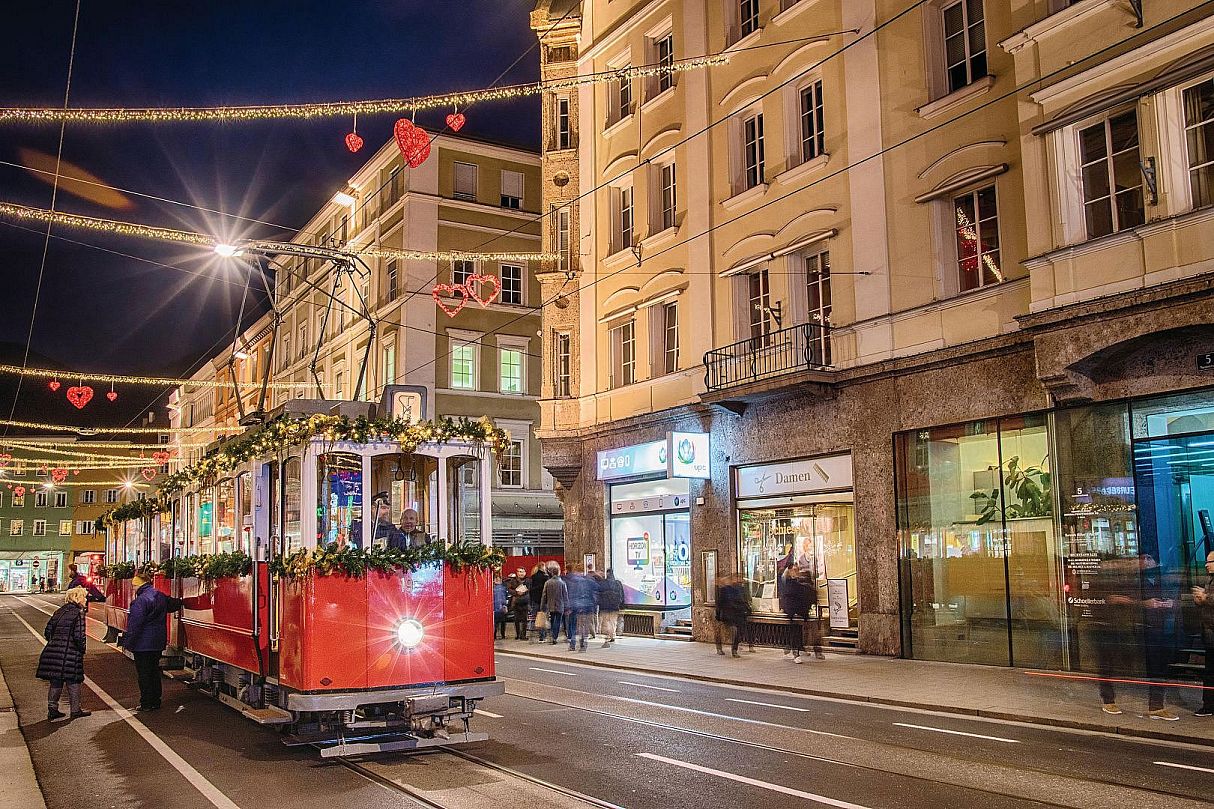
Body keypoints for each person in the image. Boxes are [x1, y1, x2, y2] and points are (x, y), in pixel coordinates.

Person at [121, 572, 184, 711]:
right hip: (157, 642)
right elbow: (174, 604)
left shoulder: (140, 601)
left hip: (142, 644)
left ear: (138, 585)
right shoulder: (159, 596)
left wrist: (128, 643)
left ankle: (146, 703)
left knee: (144, 674)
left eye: (134, 586)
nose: (133, 588)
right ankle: (156, 701)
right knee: (154, 672)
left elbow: (135, 625)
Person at [36, 587, 91, 720]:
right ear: (77, 598)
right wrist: (82, 649)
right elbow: (79, 636)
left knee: (56, 680)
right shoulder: (78, 613)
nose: (86, 600)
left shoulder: (59, 611)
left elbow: (47, 631)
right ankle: (75, 710)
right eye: (84, 597)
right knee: (74, 680)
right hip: (70, 652)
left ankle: (52, 709)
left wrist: (55, 642)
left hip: (53, 650)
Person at [1193, 550, 1214, 717]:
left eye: (1210, 561)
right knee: (1209, 671)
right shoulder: (1210, 580)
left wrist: (1205, 597)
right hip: (1208, 632)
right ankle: (1208, 705)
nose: (1206, 565)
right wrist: (1200, 600)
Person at [782, 565, 813, 663]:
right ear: (790, 572)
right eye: (794, 570)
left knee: (798, 633)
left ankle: (793, 648)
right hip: (793, 613)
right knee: (795, 633)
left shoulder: (800, 582)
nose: (797, 571)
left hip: (801, 612)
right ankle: (796, 654)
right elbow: (789, 598)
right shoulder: (789, 583)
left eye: (797, 570)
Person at [716, 573, 750, 657]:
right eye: (736, 578)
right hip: (729, 614)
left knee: (739, 632)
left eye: (739, 578)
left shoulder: (741, 589)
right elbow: (720, 603)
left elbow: (745, 600)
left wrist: (747, 609)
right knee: (732, 631)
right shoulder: (725, 589)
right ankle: (729, 649)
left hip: (739, 614)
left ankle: (735, 649)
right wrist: (719, 615)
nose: (738, 580)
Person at [564, 566, 594, 652]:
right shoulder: (586, 581)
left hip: (573, 606)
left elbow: (568, 594)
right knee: (583, 626)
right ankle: (583, 643)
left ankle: (572, 644)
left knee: (573, 626)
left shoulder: (569, 580)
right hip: (585, 606)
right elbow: (594, 592)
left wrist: (567, 607)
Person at [539, 562, 567, 644]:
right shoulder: (562, 583)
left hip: (550, 605)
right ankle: (555, 636)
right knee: (558, 621)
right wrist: (567, 606)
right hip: (560, 605)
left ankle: (552, 635)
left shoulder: (547, 583)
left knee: (552, 620)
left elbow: (544, 595)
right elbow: (565, 595)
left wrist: (542, 606)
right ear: (558, 572)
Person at [596, 568, 625, 647]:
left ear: (607, 574)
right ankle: (612, 635)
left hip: (604, 607)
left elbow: (598, 594)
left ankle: (608, 637)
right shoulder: (618, 583)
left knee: (605, 622)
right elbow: (622, 595)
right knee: (613, 622)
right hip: (614, 606)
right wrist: (621, 605)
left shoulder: (603, 583)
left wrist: (598, 603)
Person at [528, 563, 549, 639]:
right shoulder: (545, 577)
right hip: (544, 600)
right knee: (543, 617)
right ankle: (543, 635)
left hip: (535, 600)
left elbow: (530, 589)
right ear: (543, 567)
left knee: (536, 617)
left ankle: (534, 634)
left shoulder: (533, 577)